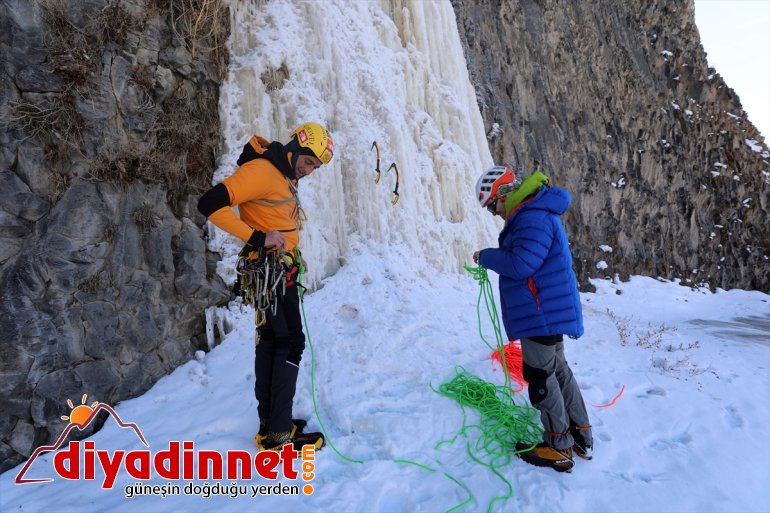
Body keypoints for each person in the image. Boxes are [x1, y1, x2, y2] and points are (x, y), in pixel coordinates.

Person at [197, 122, 334, 451]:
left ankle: (273, 425)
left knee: (274, 342)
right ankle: (278, 434)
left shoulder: (281, 173)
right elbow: (210, 203)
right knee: (290, 343)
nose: (310, 169)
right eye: (309, 160)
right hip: (272, 272)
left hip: (274, 272)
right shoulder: (263, 171)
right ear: (295, 148)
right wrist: (259, 237)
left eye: (315, 165)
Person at [472, 165, 592, 473]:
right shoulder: (534, 212)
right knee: (558, 371)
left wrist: (486, 256)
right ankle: (580, 436)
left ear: (503, 193)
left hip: (541, 312)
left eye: (491, 205)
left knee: (541, 376)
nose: (493, 212)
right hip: (547, 310)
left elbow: (521, 263)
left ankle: (558, 446)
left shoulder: (530, 216)